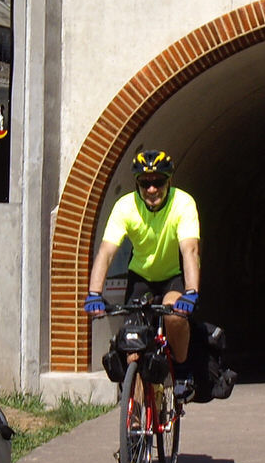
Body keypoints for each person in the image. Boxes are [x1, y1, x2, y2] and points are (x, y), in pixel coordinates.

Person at [84, 149, 201, 392]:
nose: (151, 189)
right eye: (145, 183)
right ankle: (134, 420)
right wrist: (94, 293)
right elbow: (106, 252)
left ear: (168, 181)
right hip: (140, 279)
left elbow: (190, 250)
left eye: (158, 182)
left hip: (173, 277)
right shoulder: (125, 207)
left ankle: (181, 371)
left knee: (174, 316)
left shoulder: (183, 203)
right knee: (132, 346)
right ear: (137, 184)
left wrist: (191, 291)